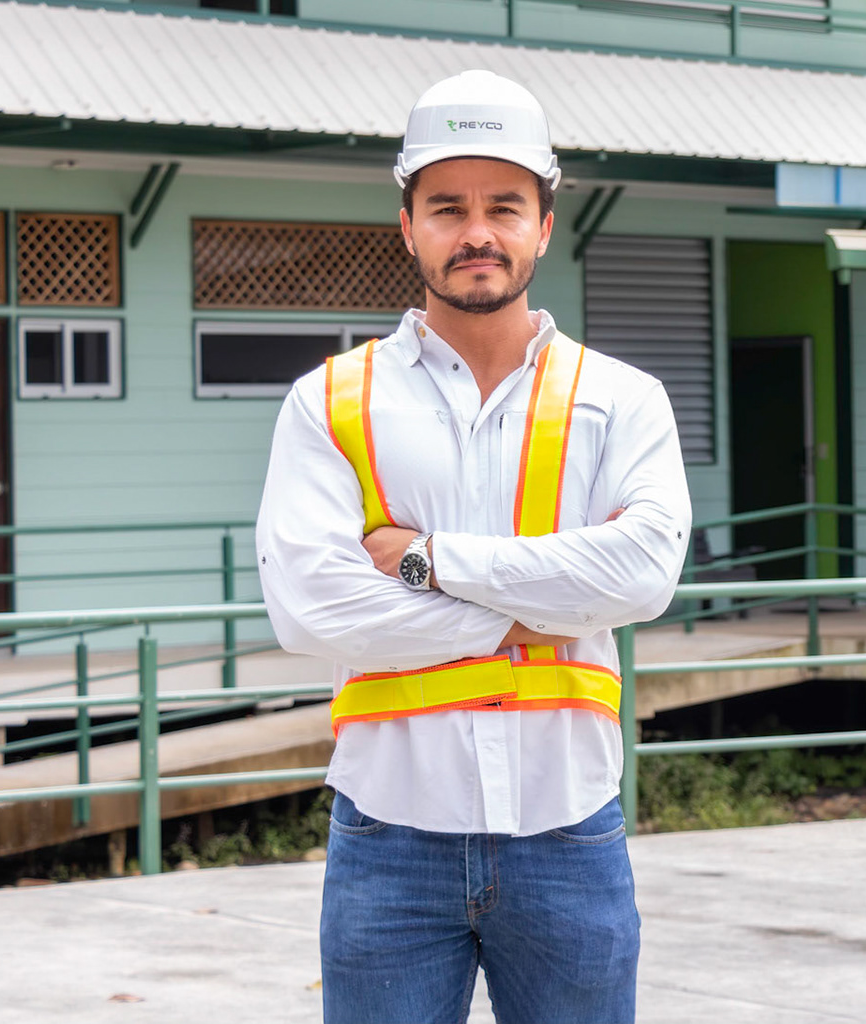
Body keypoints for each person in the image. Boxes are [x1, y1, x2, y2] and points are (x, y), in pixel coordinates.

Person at [256, 69, 691, 1024]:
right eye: (447, 207)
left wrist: (426, 560)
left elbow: (642, 575)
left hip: (569, 831)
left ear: (545, 223)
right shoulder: (329, 400)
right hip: (388, 838)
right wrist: (541, 610)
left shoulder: (623, 400)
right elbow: (311, 609)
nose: (477, 231)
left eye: (505, 205)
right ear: (407, 226)